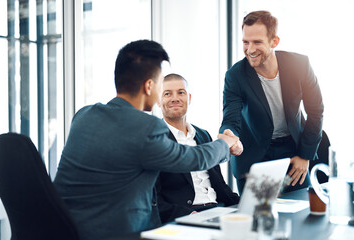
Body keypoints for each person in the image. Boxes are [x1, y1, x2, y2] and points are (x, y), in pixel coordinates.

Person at [54, 40, 241, 240]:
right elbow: (195, 159)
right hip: (119, 233)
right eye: (162, 85)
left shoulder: (83, 115)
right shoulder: (146, 128)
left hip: (65, 229)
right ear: (150, 86)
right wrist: (226, 142)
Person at [220, 10, 324, 194]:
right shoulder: (235, 75)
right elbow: (231, 117)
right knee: (259, 218)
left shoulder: (299, 65)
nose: (250, 49)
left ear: (274, 41)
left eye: (257, 42)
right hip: (255, 155)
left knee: (300, 211)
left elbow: (315, 111)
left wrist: (305, 155)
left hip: (293, 152)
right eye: (246, 42)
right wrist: (228, 134)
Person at [155, 74, 241, 223]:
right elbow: (155, 200)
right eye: (167, 94)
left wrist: (245, 204)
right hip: (187, 215)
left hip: (218, 210)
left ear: (189, 98)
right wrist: (188, 216)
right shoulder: (155, 139)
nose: (175, 98)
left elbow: (219, 185)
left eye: (181, 93)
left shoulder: (203, 135)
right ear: (158, 101)